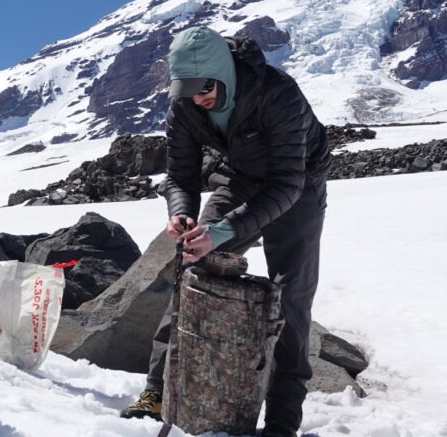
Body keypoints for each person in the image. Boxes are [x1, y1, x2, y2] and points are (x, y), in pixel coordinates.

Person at [121, 26, 330, 437]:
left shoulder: (277, 92)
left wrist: (219, 232)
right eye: (188, 90)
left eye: (205, 89)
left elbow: (287, 183)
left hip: (299, 186)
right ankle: (159, 392)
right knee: (190, 267)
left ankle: (282, 420)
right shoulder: (185, 105)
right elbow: (179, 175)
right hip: (240, 177)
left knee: (290, 296)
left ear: (225, 73)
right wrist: (181, 215)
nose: (198, 99)